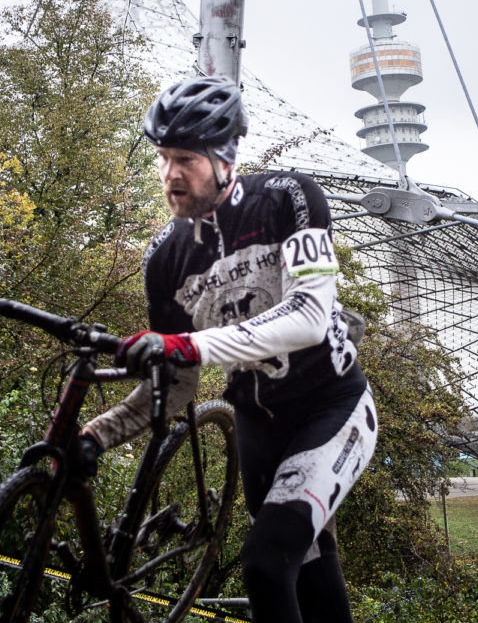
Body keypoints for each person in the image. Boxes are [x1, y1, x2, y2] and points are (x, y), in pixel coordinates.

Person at [82, 74, 377, 622]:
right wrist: (96, 437)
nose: (171, 175)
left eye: (186, 160)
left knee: (265, 564)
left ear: (225, 157)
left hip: (332, 408)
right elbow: (177, 389)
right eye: (164, 158)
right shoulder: (165, 259)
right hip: (257, 426)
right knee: (307, 564)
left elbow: (311, 317)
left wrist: (186, 344)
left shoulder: (288, 198)